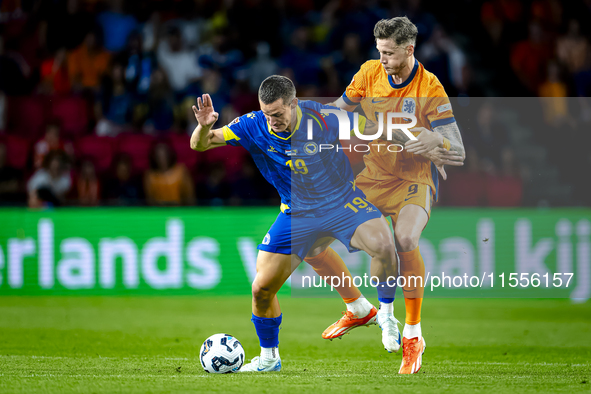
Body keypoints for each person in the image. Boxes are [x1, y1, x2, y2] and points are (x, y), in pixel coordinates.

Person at [191, 76, 400, 372]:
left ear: (294, 103)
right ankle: (269, 359)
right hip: (297, 213)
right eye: (267, 114)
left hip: (342, 202)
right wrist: (203, 126)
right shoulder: (252, 124)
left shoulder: (324, 117)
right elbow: (200, 145)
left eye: (278, 114)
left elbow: (378, 129)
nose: (272, 121)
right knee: (261, 289)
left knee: (383, 245)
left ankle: (387, 318)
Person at [331, 17, 465, 374]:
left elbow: (459, 151)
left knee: (404, 237)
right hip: (373, 175)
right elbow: (339, 109)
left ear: (409, 49)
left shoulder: (430, 87)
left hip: (414, 177)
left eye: (389, 53)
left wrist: (438, 139)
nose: (383, 59)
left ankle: (413, 334)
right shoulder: (368, 73)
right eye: (379, 51)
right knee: (320, 233)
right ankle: (375, 314)